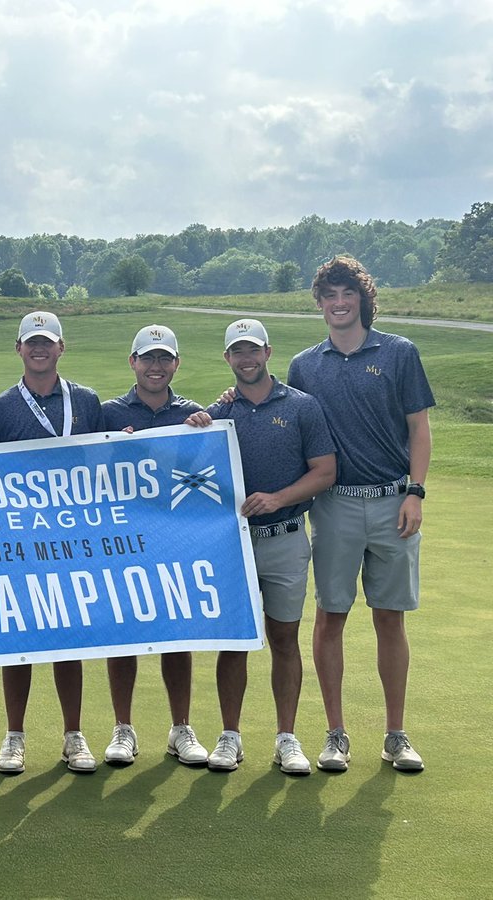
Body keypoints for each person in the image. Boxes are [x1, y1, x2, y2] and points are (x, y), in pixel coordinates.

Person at [287, 257, 434, 772]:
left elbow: (418, 428)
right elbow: (285, 418)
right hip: (334, 506)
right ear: (320, 303)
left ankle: (395, 735)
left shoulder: (398, 353)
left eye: (347, 293)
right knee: (331, 615)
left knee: (389, 618)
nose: (339, 303)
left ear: (362, 297)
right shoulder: (305, 365)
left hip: (394, 501)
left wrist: (415, 491)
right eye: (329, 295)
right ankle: (335, 734)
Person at [0, 311, 102, 775]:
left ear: (62, 347)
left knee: (69, 638)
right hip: (19, 542)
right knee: (17, 638)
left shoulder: (86, 399)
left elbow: (106, 460)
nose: (39, 349)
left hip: (73, 541)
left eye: (48, 342)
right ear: (18, 348)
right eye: (31, 342)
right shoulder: (0, 408)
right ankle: (14, 736)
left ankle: (73, 735)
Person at [190, 319, 336, 775]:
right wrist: (193, 425)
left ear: (268, 353)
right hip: (232, 545)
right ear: (227, 358)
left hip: (286, 538)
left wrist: (277, 498)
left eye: (253, 350)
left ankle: (286, 738)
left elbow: (324, 471)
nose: (246, 358)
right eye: (237, 351)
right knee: (234, 640)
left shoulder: (301, 407)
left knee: (284, 639)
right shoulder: (219, 413)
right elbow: (180, 460)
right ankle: (229, 736)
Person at [98, 325, 210, 767]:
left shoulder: (195, 414)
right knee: (123, 631)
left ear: (176, 364)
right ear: (133, 362)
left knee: (174, 634)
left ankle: (180, 728)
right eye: (148, 358)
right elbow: (82, 471)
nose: (156, 367)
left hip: (173, 539)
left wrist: (203, 433)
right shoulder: (107, 413)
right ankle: (123, 728)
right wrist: (114, 450)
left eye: (164, 359)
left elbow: (207, 475)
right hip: (121, 540)